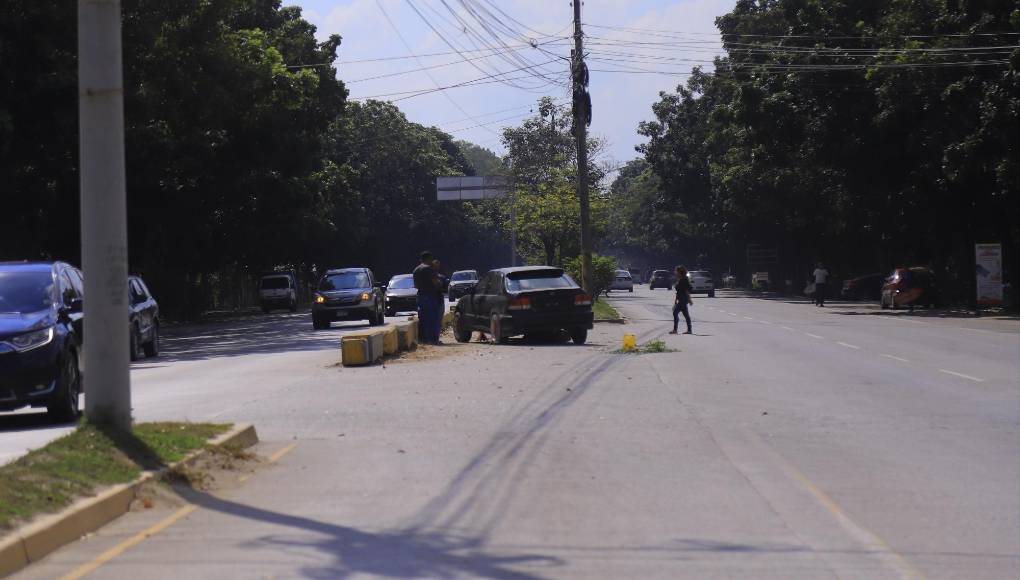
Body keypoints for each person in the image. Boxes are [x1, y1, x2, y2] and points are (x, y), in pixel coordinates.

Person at [413, 251, 443, 344]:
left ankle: (424, 339)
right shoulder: (429, 269)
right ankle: (433, 340)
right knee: (433, 318)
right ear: (429, 259)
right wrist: (440, 283)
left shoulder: (416, 270)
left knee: (423, 318)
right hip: (431, 296)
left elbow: (416, 286)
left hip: (420, 296)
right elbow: (435, 282)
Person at [670, 265, 693, 335]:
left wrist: (689, 299)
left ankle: (675, 330)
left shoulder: (684, 280)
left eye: (676, 271)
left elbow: (686, 290)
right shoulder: (681, 279)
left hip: (683, 299)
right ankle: (689, 330)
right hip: (681, 299)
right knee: (686, 315)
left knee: (675, 313)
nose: (675, 272)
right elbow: (679, 291)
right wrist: (675, 301)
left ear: (680, 272)